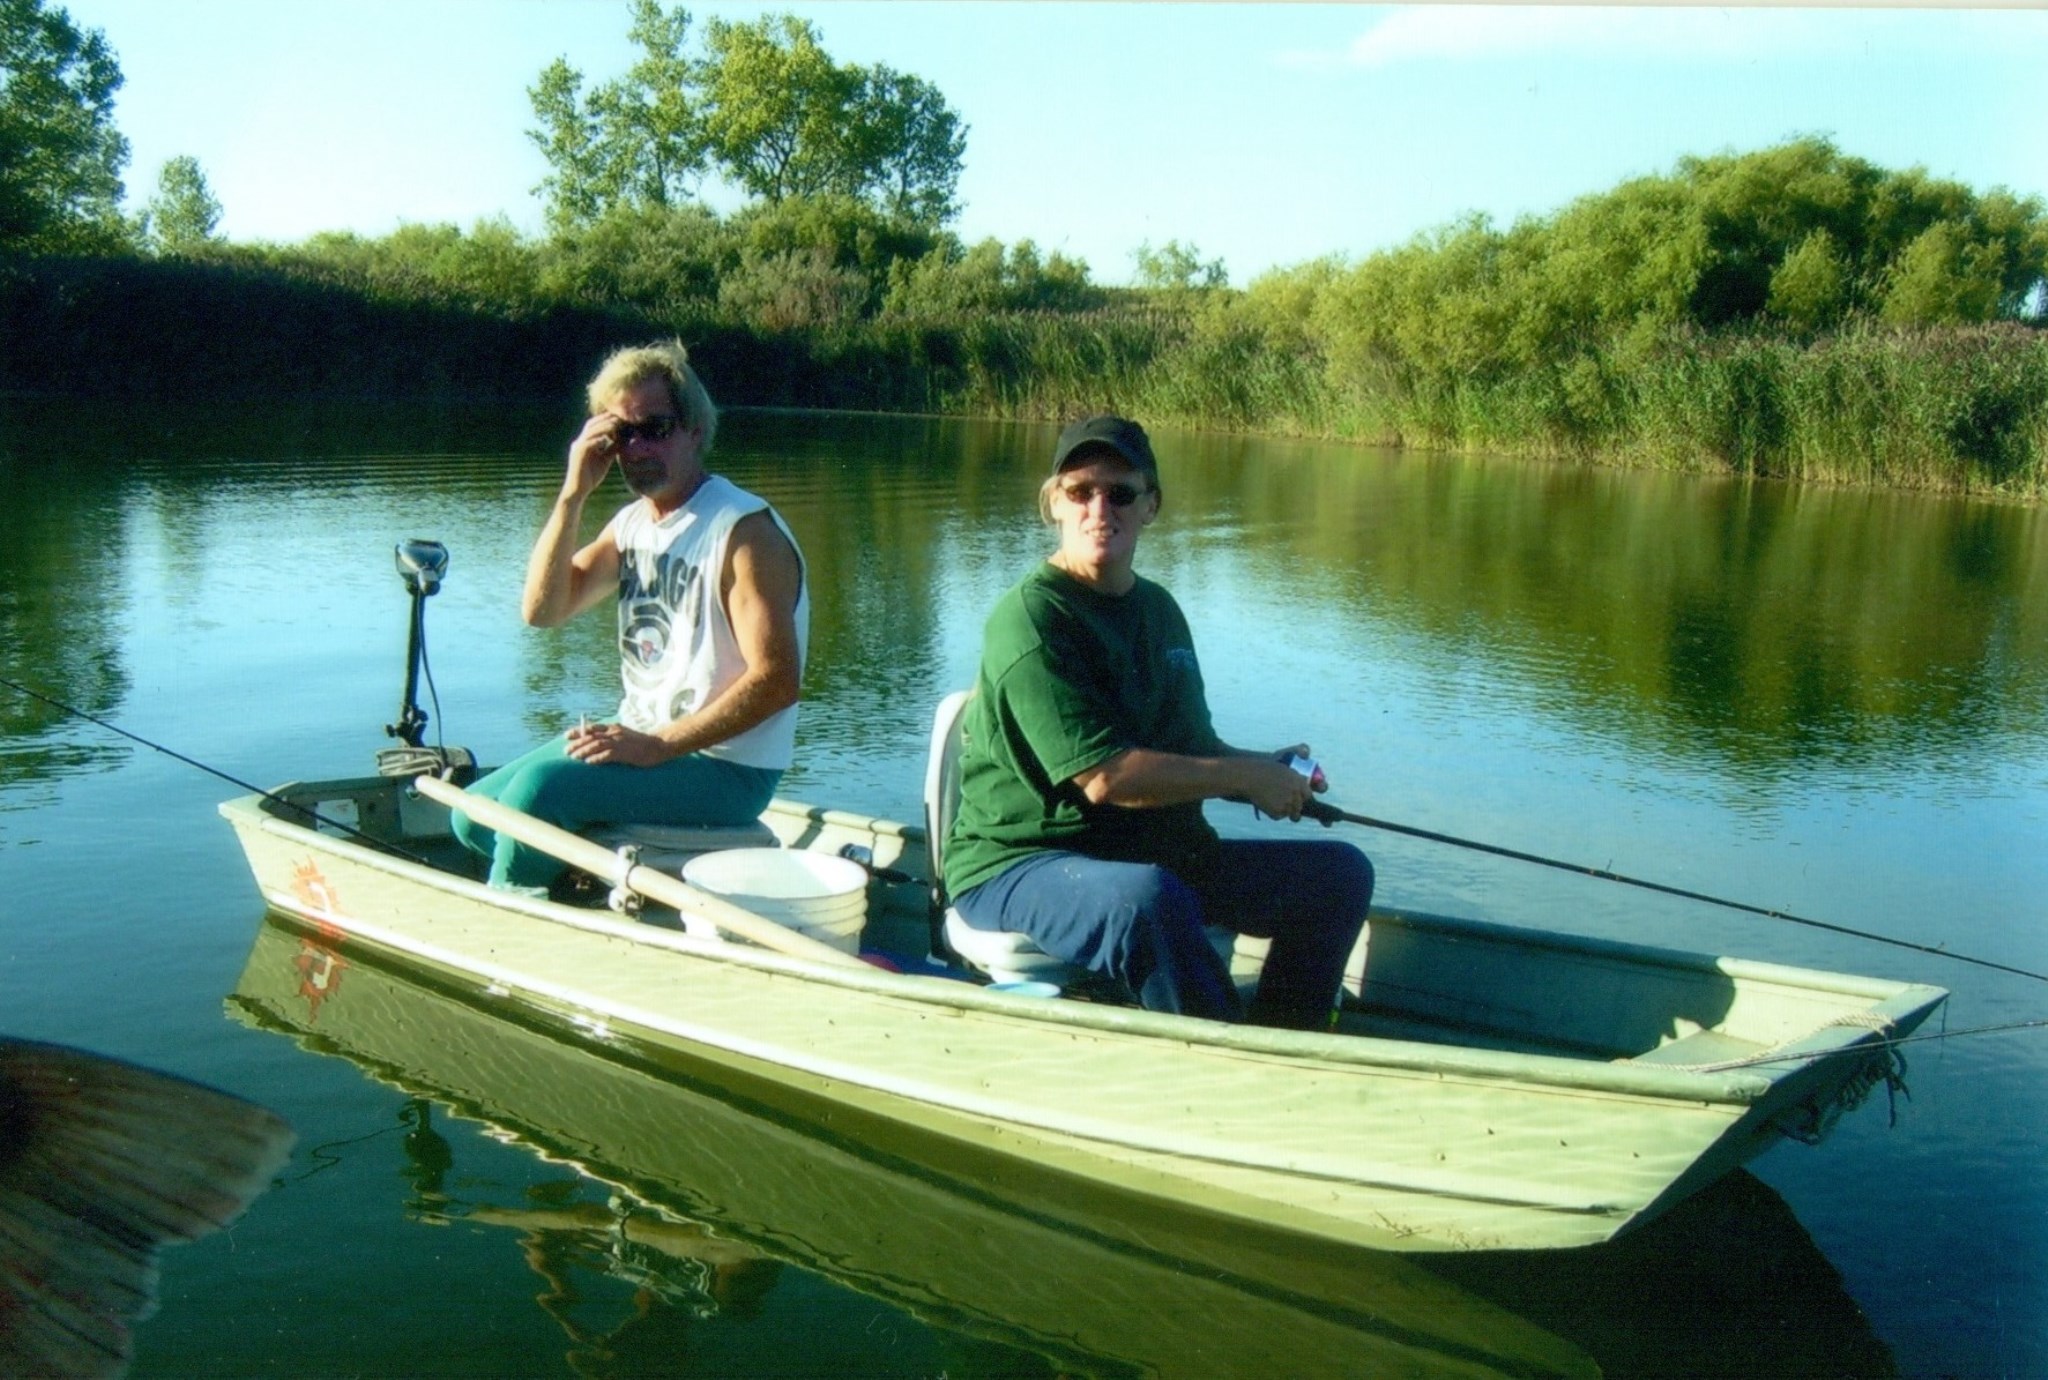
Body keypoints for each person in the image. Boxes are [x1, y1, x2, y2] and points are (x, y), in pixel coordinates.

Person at [941, 416, 1373, 1029]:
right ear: (1054, 502)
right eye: (1080, 491)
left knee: (1339, 875)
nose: (1099, 509)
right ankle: (1227, 1058)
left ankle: (1291, 1037)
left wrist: (1269, 769)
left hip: (1157, 853)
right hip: (1021, 864)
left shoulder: (1160, 611)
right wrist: (1246, 779)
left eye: (1120, 493)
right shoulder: (1031, 619)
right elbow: (1106, 778)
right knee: (1145, 900)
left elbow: (1193, 747)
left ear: (1151, 506)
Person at [451, 341, 808, 892]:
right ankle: (573, 896)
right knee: (472, 815)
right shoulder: (632, 525)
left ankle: (511, 922)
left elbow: (777, 681)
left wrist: (658, 746)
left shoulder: (742, 533)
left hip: (727, 770)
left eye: (655, 429)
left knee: (537, 795)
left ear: (695, 431)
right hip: (646, 743)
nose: (637, 447)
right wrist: (572, 496)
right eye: (621, 433)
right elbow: (543, 611)